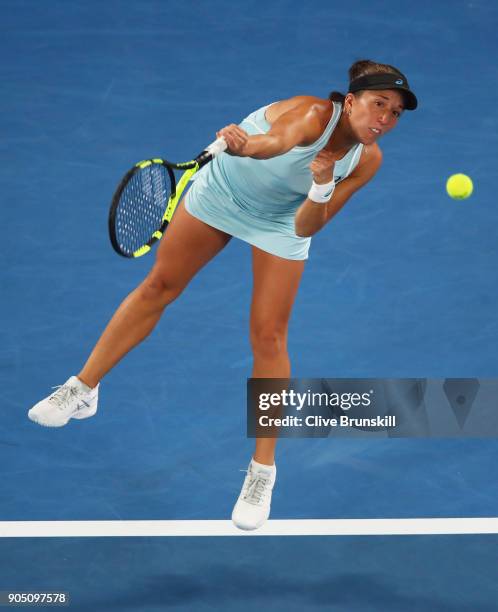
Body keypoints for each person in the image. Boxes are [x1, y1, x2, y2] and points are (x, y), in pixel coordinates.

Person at [28, 59, 418, 530]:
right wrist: (245, 144)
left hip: (283, 219)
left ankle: (262, 471)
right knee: (159, 286)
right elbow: (275, 142)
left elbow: (308, 225)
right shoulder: (312, 115)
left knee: (269, 336)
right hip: (223, 192)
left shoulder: (366, 161)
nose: (385, 119)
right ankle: (82, 388)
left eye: (395, 113)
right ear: (350, 101)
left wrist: (320, 186)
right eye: (379, 104)